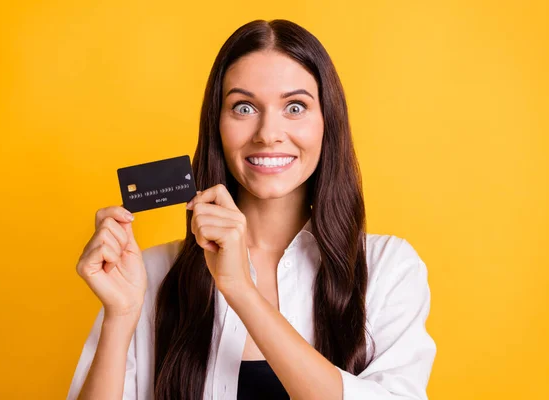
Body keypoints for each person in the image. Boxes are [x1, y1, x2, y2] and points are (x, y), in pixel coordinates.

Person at [66, 19, 437, 400]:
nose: (267, 132)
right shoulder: (151, 275)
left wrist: (240, 289)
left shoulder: (387, 269)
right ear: (218, 126)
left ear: (328, 123)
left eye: (295, 107)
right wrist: (121, 315)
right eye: (243, 107)